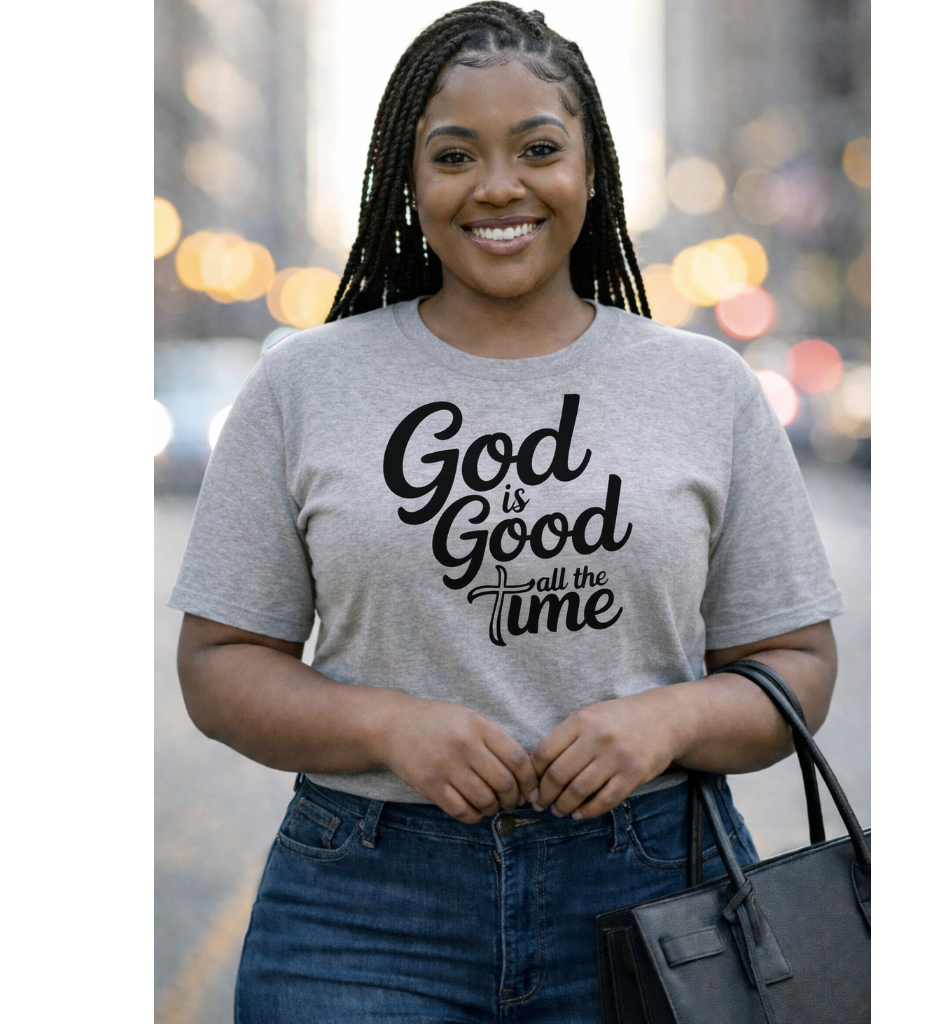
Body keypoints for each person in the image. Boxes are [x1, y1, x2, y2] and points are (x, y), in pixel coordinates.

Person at [171, 4, 845, 1021]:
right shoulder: (304, 383)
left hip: (661, 884)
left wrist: (665, 720)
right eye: (454, 154)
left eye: (538, 148)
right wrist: (388, 725)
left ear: (590, 170)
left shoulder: (704, 387)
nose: (498, 185)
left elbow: (799, 664)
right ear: (407, 180)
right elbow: (218, 665)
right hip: (363, 904)